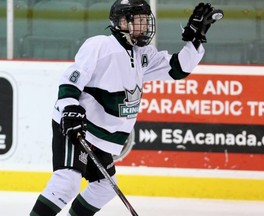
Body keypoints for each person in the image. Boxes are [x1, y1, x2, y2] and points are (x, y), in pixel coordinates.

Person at [30, 0, 222, 215]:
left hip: (103, 139)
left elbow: (178, 69)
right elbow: (72, 79)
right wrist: (69, 108)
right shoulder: (100, 46)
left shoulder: (143, 54)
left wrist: (194, 40)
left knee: (104, 188)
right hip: (79, 128)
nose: (145, 26)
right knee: (67, 183)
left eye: (146, 20)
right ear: (122, 22)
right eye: (139, 21)